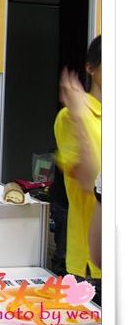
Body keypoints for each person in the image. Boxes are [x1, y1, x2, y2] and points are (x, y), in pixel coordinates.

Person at [54, 34, 101, 305]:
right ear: (90, 67)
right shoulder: (72, 116)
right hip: (94, 265)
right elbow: (88, 180)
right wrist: (80, 119)